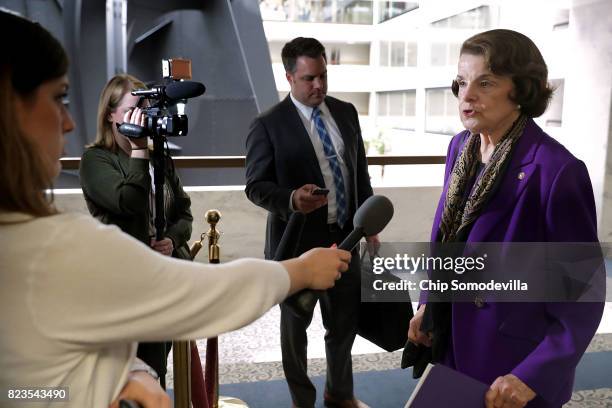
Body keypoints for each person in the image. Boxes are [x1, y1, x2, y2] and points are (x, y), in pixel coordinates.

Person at [0, 11, 351, 408]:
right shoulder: (63, 226)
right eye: (58, 98)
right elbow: (203, 295)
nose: (66, 122)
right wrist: (300, 270)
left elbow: (21, 389)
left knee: (157, 366)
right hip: (133, 288)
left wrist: (123, 376)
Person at [407, 29, 604, 408]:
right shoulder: (459, 148)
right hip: (451, 344)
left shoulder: (557, 171)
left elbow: (583, 292)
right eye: (462, 82)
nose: (467, 96)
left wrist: (533, 374)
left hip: (511, 366)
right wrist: (428, 302)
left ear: (521, 90)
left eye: (485, 82)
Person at [245, 37, 375, 408]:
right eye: (308, 79)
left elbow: (358, 171)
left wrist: (368, 220)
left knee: (344, 325)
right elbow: (255, 186)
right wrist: (290, 199)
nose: (318, 85)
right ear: (289, 77)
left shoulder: (346, 113)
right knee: (295, 331)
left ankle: (340, 394)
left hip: (346, 239)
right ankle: (302, 402)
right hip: (297, 245)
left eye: (323, 76)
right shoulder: (267, 124)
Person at [79, 73, 193, 386]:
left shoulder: (160, 156)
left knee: (158, 370)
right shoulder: (95, 160)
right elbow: (128, 201)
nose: (143, 114)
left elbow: (183, 213)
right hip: (124, 287)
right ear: (111, 115)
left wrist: (171, 238)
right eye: (133, 108)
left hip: (164, 280)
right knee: (130, 374)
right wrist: (139, 151)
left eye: (145, 106)